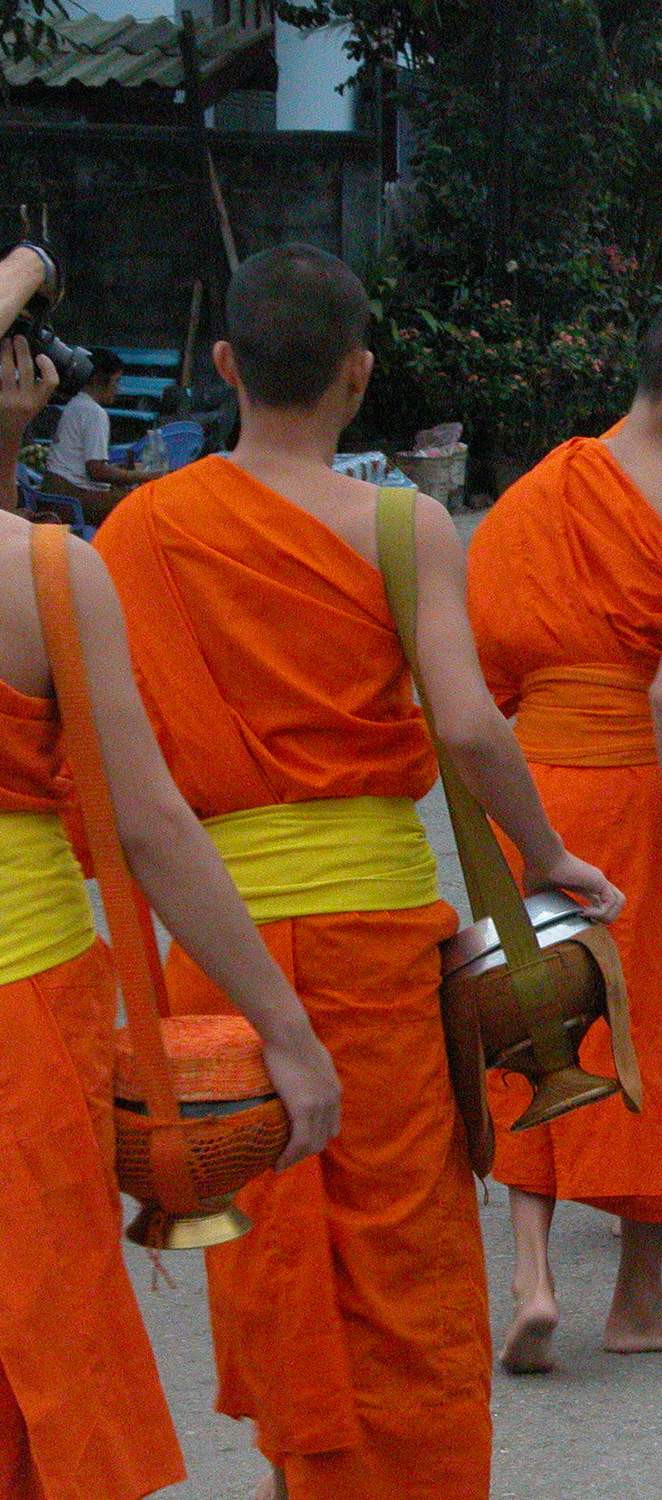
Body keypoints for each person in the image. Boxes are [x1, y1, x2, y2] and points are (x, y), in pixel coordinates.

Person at [95, 243, 621, 1498]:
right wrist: (546, 853)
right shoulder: (402, 524)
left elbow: (123, 783)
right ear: (359, 373)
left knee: (275, 1254)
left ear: (223, 365)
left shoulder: (139, 531)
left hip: (217, 962)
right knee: (402, 1270)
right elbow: (474, 726)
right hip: (379, 948)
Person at [0, 319, 341, 1498]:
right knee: (31, 1354)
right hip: (22, 1022)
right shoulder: (42, 570)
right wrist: (285, 1033)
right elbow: (147, 825)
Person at [466, 300, 662, 1376]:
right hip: (638, 799)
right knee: (652, 1031)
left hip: (538, 794)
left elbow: (488, 664)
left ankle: (531, 1278)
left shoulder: (537, 492)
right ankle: (638, 1298)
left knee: (534, 1013)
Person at [41, 350, 152, 523]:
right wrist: (147, 476)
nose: (118, 388)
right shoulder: (94, 412)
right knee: (142, 504)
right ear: (100, 380)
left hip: (54, 493)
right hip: (70, 500)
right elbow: (97, 471)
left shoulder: (76, 403)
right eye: (117, 381)